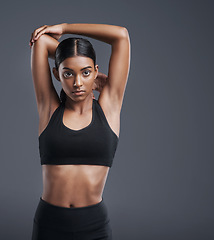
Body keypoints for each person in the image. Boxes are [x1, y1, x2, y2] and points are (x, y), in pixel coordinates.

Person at [29, 23, 130, 240]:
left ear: (96, 71)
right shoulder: (49, 109)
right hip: (49, 225)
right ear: (56, 74)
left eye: (85, 73)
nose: (77, 83)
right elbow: (42, 42)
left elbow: (121, 36)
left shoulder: (110, 107)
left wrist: (65, 28)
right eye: (68, 74)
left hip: (94, 226)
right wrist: (72, 59)